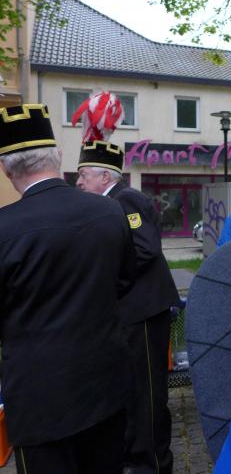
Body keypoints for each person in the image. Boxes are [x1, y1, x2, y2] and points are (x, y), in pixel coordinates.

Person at [0, 103, 136, 473]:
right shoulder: (108, 211)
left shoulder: (5, 227)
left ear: (6, 169)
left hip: (39, 396)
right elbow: (124, 280)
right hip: (105, 385)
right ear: (58, 156)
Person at [76, 140, 179, 474]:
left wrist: (106, 275)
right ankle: (136, 455)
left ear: (105, 177)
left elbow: (145, 248)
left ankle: (154, 463)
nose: (79, 182)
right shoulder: (110, 203)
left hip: (144, 312)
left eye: (84, 175)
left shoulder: (126, 199)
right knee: (132, 389)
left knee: (147, 393)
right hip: (131, 313)